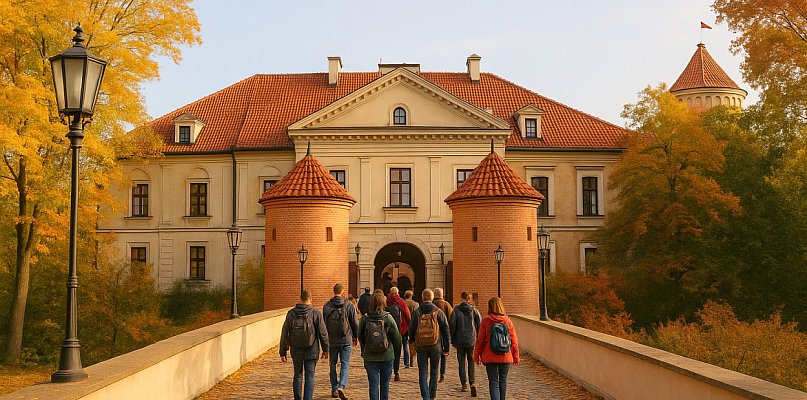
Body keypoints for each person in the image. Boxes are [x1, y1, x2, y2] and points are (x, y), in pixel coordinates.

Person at [280, 290, 329, 400]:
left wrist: (283, 351)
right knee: (310, 375)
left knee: (297, 375)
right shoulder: (315, 313)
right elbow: (323, 332)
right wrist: (325, 349)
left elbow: (285, 332)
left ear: (300, 299)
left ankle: (297, 398)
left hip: (296, 349)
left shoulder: (291, 313)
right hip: (312, 349)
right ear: (310, 299)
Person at [358, 292, 402, 400]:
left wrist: (364, 350)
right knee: (385, 384)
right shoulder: (388, 317)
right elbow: (397, 339)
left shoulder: (365, 318)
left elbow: (360, 336)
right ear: (383, 303)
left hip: (370, 356)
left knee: (373, 385)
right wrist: (396, 354)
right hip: (387, 355)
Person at [474, 297, 519, 400]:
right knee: (503, 381)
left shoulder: (486, 321)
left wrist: (477, 355)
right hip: (505, 356)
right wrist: (516, 356)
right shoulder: (508, 321)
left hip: (490, 356)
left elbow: (480, 340)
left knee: (493, 382)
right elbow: (514, 341)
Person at [408, 288, 450, 400]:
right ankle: (432, 396)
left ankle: (425, 397)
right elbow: (446, 330)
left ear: (422, 298)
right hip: (435, 344)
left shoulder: (417, 312)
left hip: (421, 345)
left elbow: (411, 329)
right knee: (434, 370)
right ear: (431, 298)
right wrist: (446, 347)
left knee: (423, 372)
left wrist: (412, 342)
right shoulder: (438, 312)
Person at [322, 283, 359, 399]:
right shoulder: (349, 305)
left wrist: (323, 342)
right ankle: (341, 386)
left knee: (332, 365)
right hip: (346, 339)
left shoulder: (327, 306)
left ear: (334, 291)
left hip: (332, 340)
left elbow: (323, 325)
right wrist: (355, 337)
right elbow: (354, 323)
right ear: (343, 292)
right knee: (345, 364)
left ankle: (334, 389)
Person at [450, 291, 482, 396]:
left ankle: (464, 384)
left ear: (462, 298)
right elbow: (479, 324)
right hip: (471, 340)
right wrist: (477, 337)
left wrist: (452, 339)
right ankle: (472, 382)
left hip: (459, 340)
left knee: (461, 363)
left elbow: (452, 325)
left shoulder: (456, 310)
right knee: (471, 361)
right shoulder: (474, 311)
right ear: (469, 299)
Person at [385, 287, 411, 381]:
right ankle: (396, 372)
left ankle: (388, 372)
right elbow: (407, 315)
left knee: (387, 351)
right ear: (398, 293)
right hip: (399, 331)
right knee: (397, 352)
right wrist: (408, 328)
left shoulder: (386, 302)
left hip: (387, 331)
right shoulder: (401, 302)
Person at [432, 287, 453, 382]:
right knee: (444, 354)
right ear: (442, 295)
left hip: (432, 333)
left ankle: (434, 372)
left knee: (434, 355)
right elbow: (451, 320)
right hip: (444, 333)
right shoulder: (447, 305)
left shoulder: (432, 304)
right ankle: (442, 374)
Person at [403, 290, 419, 368]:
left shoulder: (403, 303)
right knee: (412, 343)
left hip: (404, 325)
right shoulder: (416, 304)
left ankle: (406, 361)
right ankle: (412, 360)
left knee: (405, 343)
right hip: (413, 324)